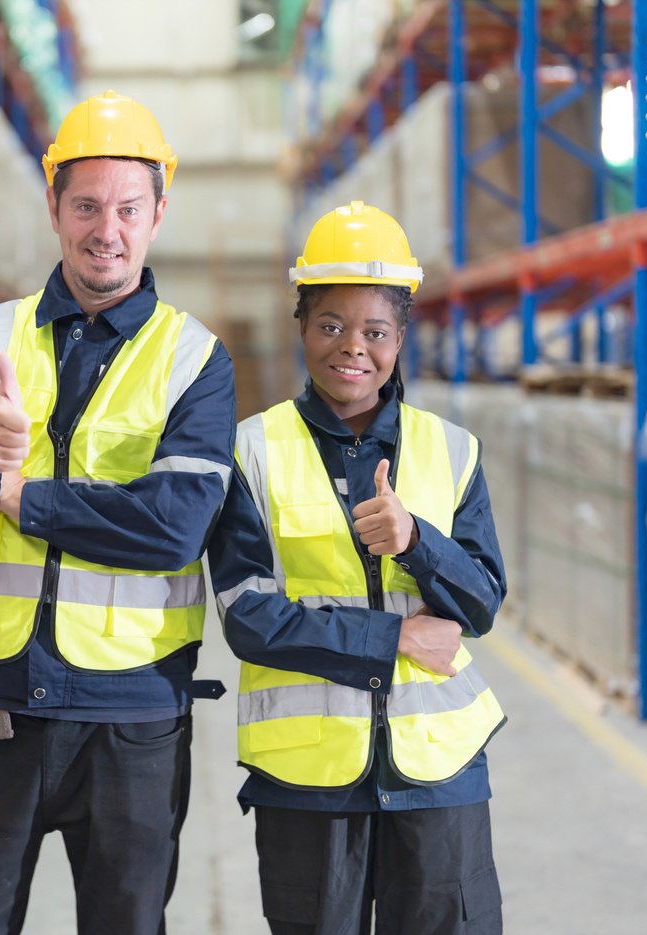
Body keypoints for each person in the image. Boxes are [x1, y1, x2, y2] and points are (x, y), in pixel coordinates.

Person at [0, 89, 236, 935]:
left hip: (131, 720)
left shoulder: (195, 360)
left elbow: (173, 526)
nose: (106, 229)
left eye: (128, 208)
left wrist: (13, 492)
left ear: (158, 212)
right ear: (54, 207)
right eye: (85, 205)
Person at [207, 202, 507, 935]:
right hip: (309, 783)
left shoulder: (451, 449)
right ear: (302, 328)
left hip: (438, 774)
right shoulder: (253, 451)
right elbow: (250, 617)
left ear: (400, 337)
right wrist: (395, 638)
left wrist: (415, 542)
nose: (353, 349)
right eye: (331, 326)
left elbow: (482, 598)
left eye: (375, 331)